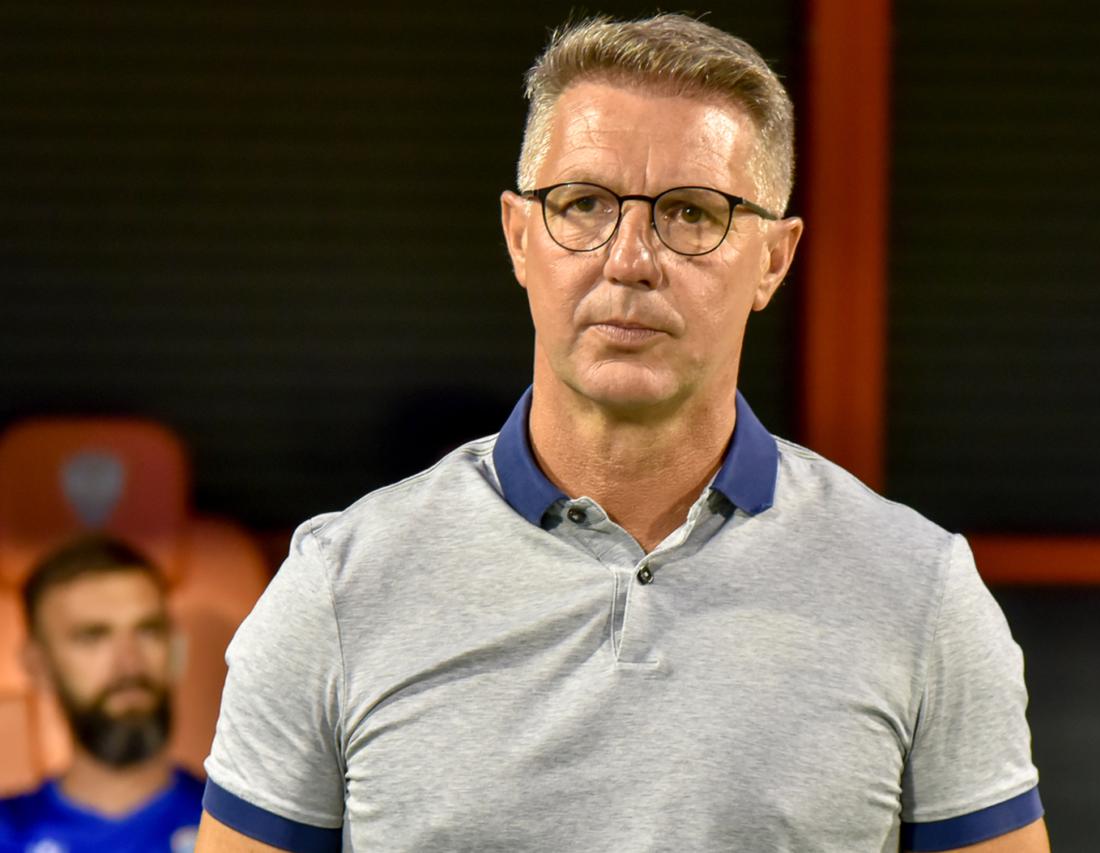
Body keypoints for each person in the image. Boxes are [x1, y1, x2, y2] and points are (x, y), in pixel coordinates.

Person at [196, 14, 1050, 853]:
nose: (631, 258)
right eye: (583, 204)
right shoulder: (340, 589)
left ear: (774, 259)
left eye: (692, 213)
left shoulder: (918, 591)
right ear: (519, 237)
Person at [0, 535, 202, 853]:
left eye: (149, 630)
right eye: (92, 637)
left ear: (177, 652)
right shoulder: (9, 834)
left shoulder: (239, 829)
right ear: (38, 665)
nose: (129, 663)